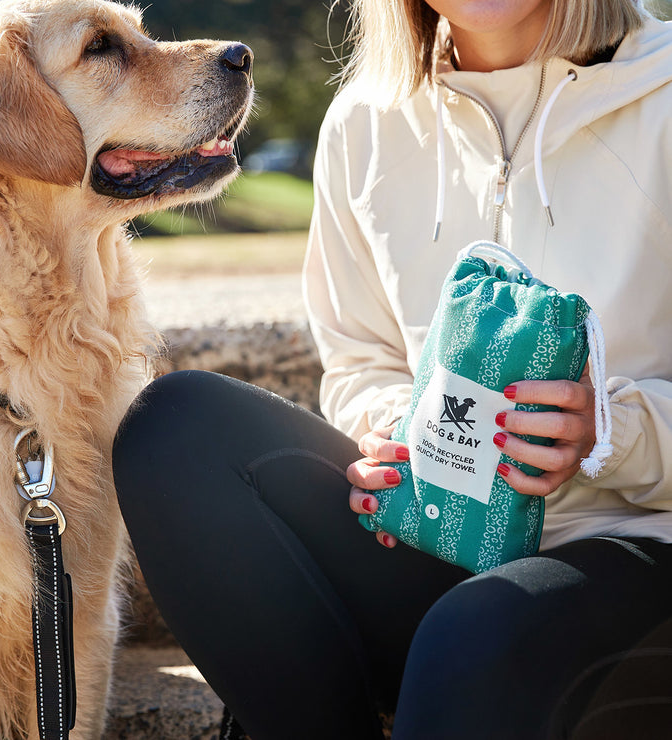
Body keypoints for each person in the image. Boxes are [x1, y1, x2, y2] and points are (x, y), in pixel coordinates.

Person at [113, 1, 672, 737]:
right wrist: (388, 433)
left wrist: (613, 430)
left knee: (474, 631)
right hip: (433, 534)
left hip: (636, 553)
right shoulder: (364, 118)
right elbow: (359, 358)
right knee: (175, 429)